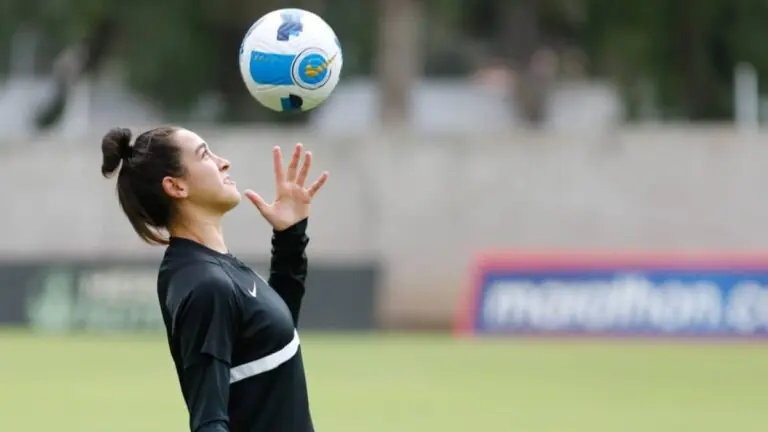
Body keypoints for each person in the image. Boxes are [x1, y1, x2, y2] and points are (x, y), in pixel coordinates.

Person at [100, 125, 328, 432]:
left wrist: (290, 237)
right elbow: (209, 421)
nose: (224, 162)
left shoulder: (207, 267)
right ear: (176, 186)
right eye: (205, 154)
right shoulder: (206, 284)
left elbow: (271, 343)